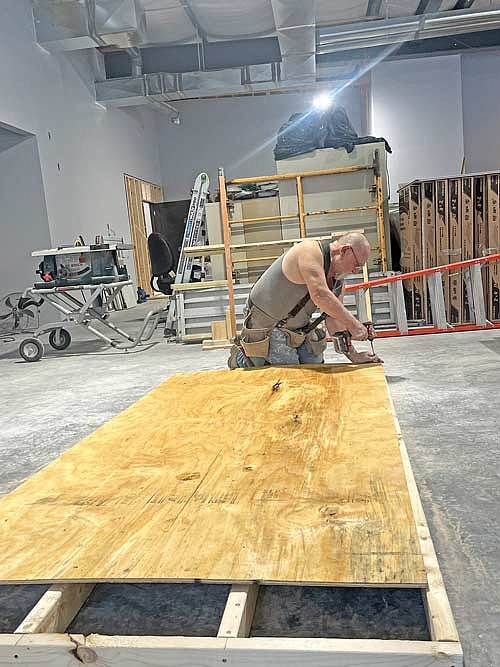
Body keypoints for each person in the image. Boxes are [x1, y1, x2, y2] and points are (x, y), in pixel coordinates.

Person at [228, 232, 382, 368]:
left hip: (297, 328)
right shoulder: (309, 251)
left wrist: (353, 356)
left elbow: (334, 320)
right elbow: (320, 295)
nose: (355, 271)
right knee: (289, 372)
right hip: (267, 324)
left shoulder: (338, 282)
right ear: (345, 250)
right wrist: (354, 325)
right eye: (356, 264)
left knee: (315, 364)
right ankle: (242, 358)